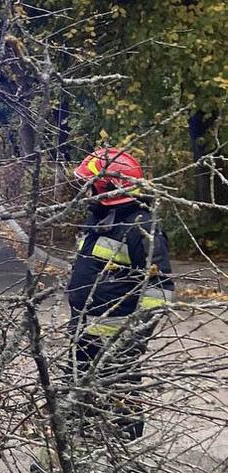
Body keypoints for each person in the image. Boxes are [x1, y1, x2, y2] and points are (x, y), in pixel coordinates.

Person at [65, 147, 175, 440]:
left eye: (92, 184)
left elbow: (159, 292)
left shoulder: (141, 227)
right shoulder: (99, 221)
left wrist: (131, 339)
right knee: (72, 401)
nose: (86, 190)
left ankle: (123, 465)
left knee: (120, 405)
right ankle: (63, 463)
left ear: (110, 186)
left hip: (117, 343)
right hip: (84, 333)